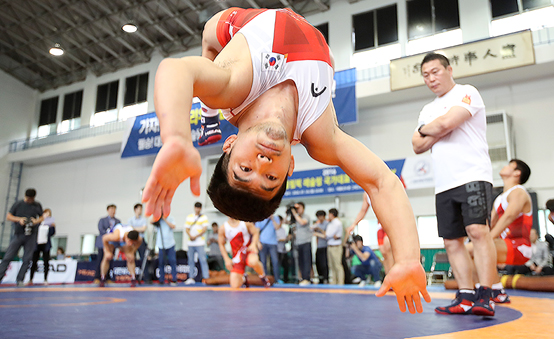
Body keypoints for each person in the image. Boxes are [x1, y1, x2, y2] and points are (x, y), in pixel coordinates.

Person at [143, 7, 429, 313]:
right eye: (270, 179)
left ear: (230, 144)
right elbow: (382, 182)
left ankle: (209, 118)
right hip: (313, 48)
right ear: (290, 167)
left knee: (209, 50)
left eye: (245, 169)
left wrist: (176, 137)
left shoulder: (231, 88)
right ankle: (213, 121)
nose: (263, 162)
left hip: (235, 25)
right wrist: (409, 258)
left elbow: (175, 70)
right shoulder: (322, 138)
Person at [413, 52, 496, 316]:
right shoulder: (426, 109)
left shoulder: (467, 92)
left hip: (473, 175)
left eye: (435, 72)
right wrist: (439, 127)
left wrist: (438, 127)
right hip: (444, 183)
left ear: (449, 70)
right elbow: (417, 145)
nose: (431, 79)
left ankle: (486, 294)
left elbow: (447, 122)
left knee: (477, 231)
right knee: (451, 242)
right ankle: (465, 295)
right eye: (426, 75)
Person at [466, 159, 532, 304]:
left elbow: (509, 217)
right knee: (468, 250)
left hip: (520, 246)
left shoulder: (519, 192)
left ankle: (494, 290)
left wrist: (487, 241)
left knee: (474, 248)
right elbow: (490, 224)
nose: (504, 166)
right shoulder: (499, 198)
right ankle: (490, 290)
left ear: (517, 173)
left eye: (509, 165)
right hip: (504, 244)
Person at [0, 188, 43, 286]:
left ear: (33, 198)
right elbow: (8, 216)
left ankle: (20, 279)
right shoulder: (18, 204)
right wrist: (19, 219)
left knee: (27, 259)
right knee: (8, 257)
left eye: (30, 199)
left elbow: (42, 217)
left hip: (31, 235)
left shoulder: (37, 205)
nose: (28, 200)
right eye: (27, 198)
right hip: (19, 234)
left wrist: (35, 221)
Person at [346, 193, 394, 274]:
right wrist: (354, 224)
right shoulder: (366, 194)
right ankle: (388, 277)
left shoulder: (381, 187)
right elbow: (363, 211)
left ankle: (394, 277)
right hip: (380, 222)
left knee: (388, 247)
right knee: (383, 251)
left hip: (391, 220)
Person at [218, 217, 270, 288]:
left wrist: (254, 244)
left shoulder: (245, 223)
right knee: (234, 286)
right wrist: (226, 259)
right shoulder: (223, 228)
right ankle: (243, 278)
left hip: (248, 251)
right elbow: (221, 244)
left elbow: (255, 232)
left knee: (253, 261)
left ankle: (263, 276)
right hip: (237, 257)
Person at [314, 208, 343, 285]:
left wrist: (319, 234)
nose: (328, 216)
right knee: (331, 265)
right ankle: (334, 281)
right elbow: (329, 235)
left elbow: (327, 235)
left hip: (336, 246)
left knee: (337, 265)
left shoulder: (337, 223)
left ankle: (340, 282)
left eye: (329, 214)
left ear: (332, 214)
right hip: (330, 245)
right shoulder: (331, 223)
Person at [184, 202, 210, 284]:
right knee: (190, 260)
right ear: (194, 208)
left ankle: (206, 278)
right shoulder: (189, 217)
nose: (197, 209)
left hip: (200, 243)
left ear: (201, 209)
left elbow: (204, 229)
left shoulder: (204, 217)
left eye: (199, 208)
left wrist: (196, 236)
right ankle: (191, 277)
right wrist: (191, 236)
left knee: (203, 260)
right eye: (196, 207)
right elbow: (187, 229)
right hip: (191, 243)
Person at [94, 204, 121, 283]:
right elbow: (101, 230)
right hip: (103, 243)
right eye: (111, 209)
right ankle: (97, 277)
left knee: (110, 260)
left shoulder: (117, 221)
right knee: (100, 260)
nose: (113, 211)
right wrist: (109, 233)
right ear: (108, 210)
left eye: (114, 209)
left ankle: (108, 278)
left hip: (112, 244)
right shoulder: (102, 220)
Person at [29, 208, 56, 285]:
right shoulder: (38, 223)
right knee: (34, 262)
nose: (46, 216)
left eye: (48, 214)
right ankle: (31, 279)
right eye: (45, 214)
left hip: (46, 245)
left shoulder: (50, 224)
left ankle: (45, 279)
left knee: (46, 262)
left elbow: (52, 233)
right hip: (37, 244)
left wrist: (52, 227)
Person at [289, 202, 312, 285]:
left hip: (306, 242)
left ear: (303, 208)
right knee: (301, 262)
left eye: (299, 208)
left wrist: (295, 214)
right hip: (298, 243)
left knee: (306, 261)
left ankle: (307, 278)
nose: (297, 210)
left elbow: (302, 222)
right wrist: (290, 212)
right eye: (296, 208)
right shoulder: (295, 217)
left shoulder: (306, 217)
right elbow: (286, 222)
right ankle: (302, 278)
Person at [255, 215, 281, 282]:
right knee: (263, 262)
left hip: (273, 243)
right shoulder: (260, 218)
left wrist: (272, 219)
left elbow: (277, 228)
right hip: (263, 243)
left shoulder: (276, 218)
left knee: (275, 261)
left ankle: (277, 279)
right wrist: (258, 242)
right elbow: (256, 232)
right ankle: (265, 279)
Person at [154, 214, 178, 285]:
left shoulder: (170, 218)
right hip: (161, 244)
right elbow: (151, 222)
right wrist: (158, 217)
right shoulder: (158, 220)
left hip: (170, 244)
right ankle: (161, 279)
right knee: (161, 262)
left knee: (172, 261)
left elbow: (173, 226)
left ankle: (174, 279)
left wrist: (165, 219)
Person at [312, 210, 329, 284]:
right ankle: (320, 279)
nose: (319, 218)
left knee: (324, 264)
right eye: (318, 217)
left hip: (325, 246)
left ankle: (326, 278)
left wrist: (319, 229)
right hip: (318, 246)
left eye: (320, 216)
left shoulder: (327, 224)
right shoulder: (317, 224)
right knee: (318, 263)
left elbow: (326, 235)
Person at [275, 216, 289, 283]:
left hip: (284, 250)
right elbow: (275, 239)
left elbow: (285, 239)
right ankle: (276, 279)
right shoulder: (274, 229)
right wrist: (282, 239)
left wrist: (287, 238)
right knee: (277, 265)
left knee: (286, 265)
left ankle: (286, 279)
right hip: (277, 250)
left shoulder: (283, 229)